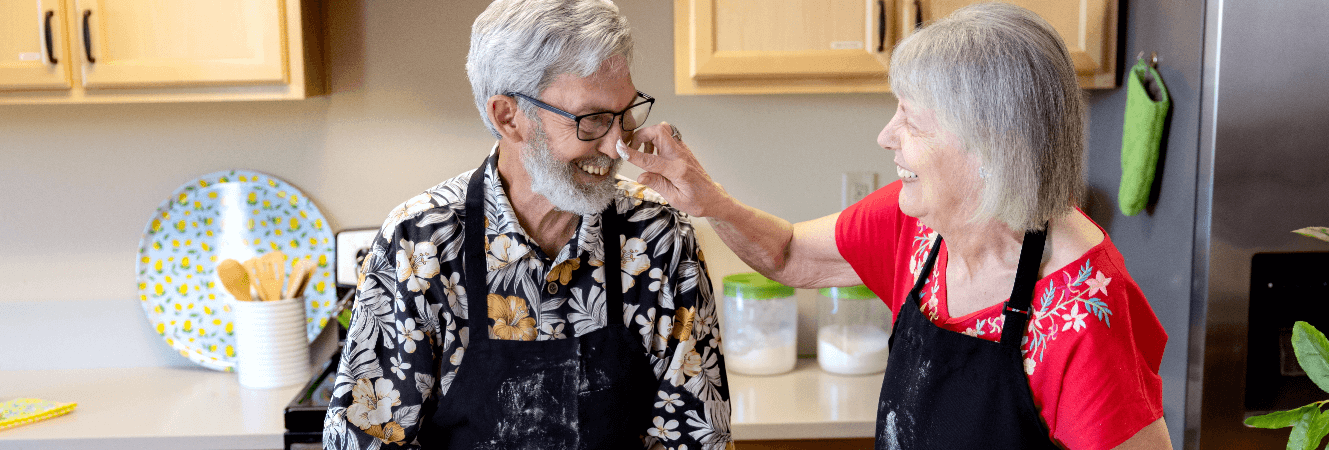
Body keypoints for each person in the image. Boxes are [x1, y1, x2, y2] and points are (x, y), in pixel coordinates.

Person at [621, 3, 1169, 449]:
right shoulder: (918, 223)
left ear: (991, 147)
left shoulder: (1082, 313)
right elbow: (788, 255)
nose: (886, 136)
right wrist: (709, 199)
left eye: (911, 118)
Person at [323, 1, 730, 449]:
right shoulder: (420, 244)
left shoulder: (659, 236)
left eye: (626, 113)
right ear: (507, 116)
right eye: (592, 119)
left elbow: (697, 437)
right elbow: (367, 441)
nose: (618, 146)